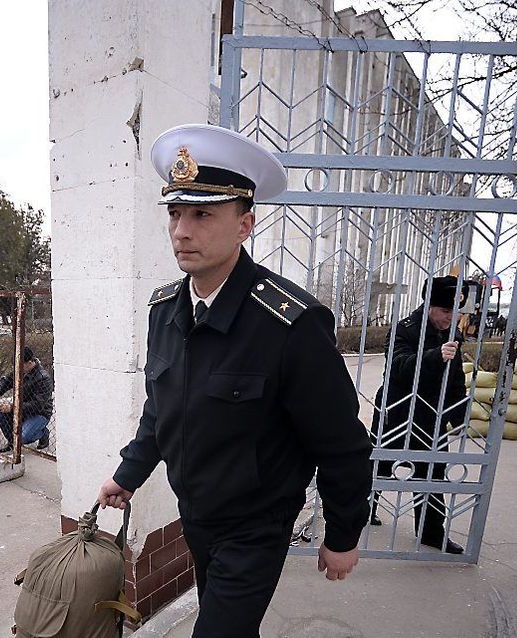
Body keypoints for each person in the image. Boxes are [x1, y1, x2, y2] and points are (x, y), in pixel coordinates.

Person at [96, 124, 373, 637]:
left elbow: (342, 443)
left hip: (256, 525)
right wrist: (127, 474)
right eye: (176, 213)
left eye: (203, 214)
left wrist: (342, 533)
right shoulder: (166, 309)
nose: (182, 230)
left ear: (244, 225)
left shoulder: (289, 323)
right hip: (196, 515)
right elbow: (161, 410)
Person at [369, 276, 467, 554]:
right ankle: (362, 512)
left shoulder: (453, 335)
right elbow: (400, 366)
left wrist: (458, 416)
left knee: (432, 473)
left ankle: (431, 533)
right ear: (429, 307)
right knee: (379, 466)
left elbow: (455, 379)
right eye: (446, 311)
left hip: (431, 416)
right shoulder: (405, 330)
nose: (451, 318)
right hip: (398, 411)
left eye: (455, 312)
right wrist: (436, 356)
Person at [0, 346, 53, 453]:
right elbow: (5, 381)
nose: (17, 369)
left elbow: (38, 405)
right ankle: (13, 442)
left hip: (40, 413)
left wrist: (12, 407)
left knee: (23, 437)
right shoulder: (20, 371)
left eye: (20, 365)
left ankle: (43, 432)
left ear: (30, 362)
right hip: (20, 409)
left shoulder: (43, 378)